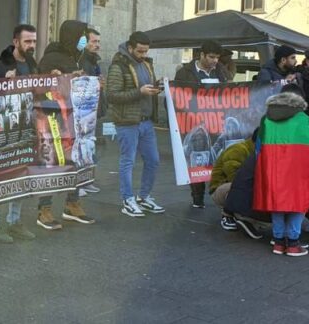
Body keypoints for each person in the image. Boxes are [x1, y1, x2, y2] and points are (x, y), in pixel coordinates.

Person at [35, 19, 98, 229]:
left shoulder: (79, 57)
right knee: (52, 163)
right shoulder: (51, 58)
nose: (84, 40)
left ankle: (73, 204)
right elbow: (42, 85)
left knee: (76, 161)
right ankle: (44, 209)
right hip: (55, 120)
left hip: (76, 121)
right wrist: (59, 77)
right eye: (81, 36)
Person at [0, 24, 40, 243]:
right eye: (28, 41)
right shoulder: (0, 66)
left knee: (21, 176)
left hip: (27, 129)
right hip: (5, 131)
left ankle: (14, 221)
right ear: (16, 42)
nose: (32, 45)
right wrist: (3, 85)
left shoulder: (34, 65)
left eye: (34, 41)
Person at [253, 85, 309, 257]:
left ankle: (279, 241)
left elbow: (258, 147)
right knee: (298, 200)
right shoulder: (302, 117)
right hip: (297, 166)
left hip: (272, 166)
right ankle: (293, 242)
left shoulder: (267, 117)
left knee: (277, 201)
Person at [107, 32, 165, 217]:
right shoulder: (118, 66)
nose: (143, 55)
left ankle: (144, 196)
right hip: (127, 121)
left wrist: (157, 87)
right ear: (130, 48)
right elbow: (112, 95)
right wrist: (140, 92)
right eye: (140, 51)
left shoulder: (147, 64)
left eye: (145, 51)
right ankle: (128, 199)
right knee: (128, 161)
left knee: (153, 160)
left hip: (146, 121)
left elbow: (146, 89)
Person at [174, 40, 228, 208]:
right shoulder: (185, 73)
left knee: (219, 159)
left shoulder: (220, 72)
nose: (215, 61)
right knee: (197, 160)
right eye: (211, 57)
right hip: (193, 123)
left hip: (215, 122)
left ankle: (220, 195)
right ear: (202, 55)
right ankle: (197, 198)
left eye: (217, 58)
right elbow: (177, 97)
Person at [208, 137, 262, 239]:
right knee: (241, 188)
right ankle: (230, 214)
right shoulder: (238, 150)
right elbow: (234, 176)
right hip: (221, 188)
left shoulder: (257, 152)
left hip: (239, 187)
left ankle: (244, 216)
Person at [78, 28, 103, 194]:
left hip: (95, 108)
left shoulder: (94, 61)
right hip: (83, 110)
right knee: (81, 147)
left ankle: (87, 180)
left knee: (90, 147)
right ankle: (78, 183)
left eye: (98, 42)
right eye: (94, 41)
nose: (97, 45)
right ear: (84, 43)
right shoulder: (81, 60)